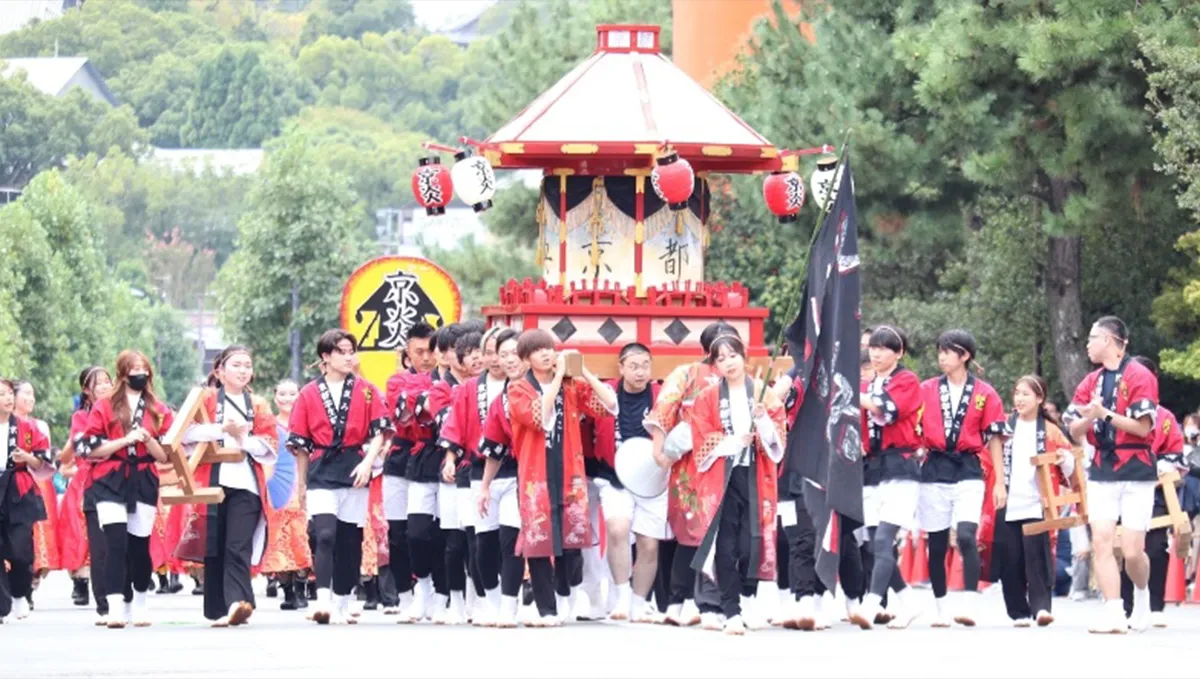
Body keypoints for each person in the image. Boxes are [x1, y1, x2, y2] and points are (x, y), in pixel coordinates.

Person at [505, 329, 616, 626]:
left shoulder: (572, 386)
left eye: (549, 348)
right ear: (526, 359)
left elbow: (608, 405)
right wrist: (556, 381)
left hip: (570, 473)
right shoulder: (518, 389)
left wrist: (584, 371)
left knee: (572, 541)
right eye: (537, 350)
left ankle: (567, 598)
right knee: (539, 542)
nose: (546, 354)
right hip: (535, 475)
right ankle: (546, 609)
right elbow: (539, 417)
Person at [1064, 316, 1159, 634]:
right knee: (1102, 541)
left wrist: (1104, 413)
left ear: (1108, 340)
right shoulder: (1090, 381)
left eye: (1092, 338)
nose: (1087, 344)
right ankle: (1114, 611)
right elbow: (1073, 430)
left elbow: (1143, 428)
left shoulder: (1140, 375)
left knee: (1132, 551)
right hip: (1101, 468)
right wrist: (1089, 418)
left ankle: (1142, 596)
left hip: (1136, 469)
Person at [288, 330, 390, 625]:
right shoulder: (308, 393)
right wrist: (301, 484)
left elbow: (380, 432)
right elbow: (302, 445)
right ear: (326, 356)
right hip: (321, 469)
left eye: (351, 351)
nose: (348, 357)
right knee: (324, 534)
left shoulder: (367, 390)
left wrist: (368, 463)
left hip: (355, 467)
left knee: (349, 539)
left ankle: (343, 600)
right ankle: (323, 600)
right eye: (341, 352)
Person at [689, 335, 786, 635]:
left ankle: (747, 598)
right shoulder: (707, 397)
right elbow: (700, 438)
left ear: (744, 357)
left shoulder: (762, 393)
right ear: (714, 365)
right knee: (725, 545)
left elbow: (777, 440)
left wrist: (762, 421)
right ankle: (731, 610)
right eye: (721, 359)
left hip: (754, 477)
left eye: (733, 355)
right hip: (721, 480)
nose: (728, 363)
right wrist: (731, 442)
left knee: (750, 543)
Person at [175, 345, 279, 627]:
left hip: (246, 484)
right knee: (215, 544)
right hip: (211, 481)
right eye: (236, 365)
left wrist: (243, 439)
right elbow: (183, 433)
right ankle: (219, 609)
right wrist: (221, 429)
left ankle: (238, 603)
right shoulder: (205, 399)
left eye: (247, 365)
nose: (243, 370)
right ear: (220, 371)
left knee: (237, 545)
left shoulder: (258, 404)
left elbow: (270, 445)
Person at [644, 321, 739, 626]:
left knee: (720, 536)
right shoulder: (686, 373)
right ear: (708, 349)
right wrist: (659, 450)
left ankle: (709, 603)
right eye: (720, 348)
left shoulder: (739, 376)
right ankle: (680, 602)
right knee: (691, 533)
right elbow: (664, 409)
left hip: (729, 462)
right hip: (692, 463)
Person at [917, 330, 1005, 627]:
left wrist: (1000, 482)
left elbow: (995, 438)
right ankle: (941, 608)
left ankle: (969, 604)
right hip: (934, 467)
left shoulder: (985, 393)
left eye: (947, 352)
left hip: (968, 467)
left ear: (964, 355)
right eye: (939, 351)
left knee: (967, 536)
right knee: (937, 543)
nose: (941, 357)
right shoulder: (926, 388)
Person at [81, 350, 175, 628]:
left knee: (139, 546)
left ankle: (140, 603)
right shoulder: (104, 406)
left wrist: (147, 440)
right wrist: (125, 440)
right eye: (134, 369)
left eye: (144, 369)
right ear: (122, 374)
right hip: (110, 478)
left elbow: (165, 456)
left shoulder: (158, 409)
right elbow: (91, 449)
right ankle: (115, 606)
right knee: (115, 543)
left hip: (143, 478)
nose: (140, 374)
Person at [588, 342, 666, 622]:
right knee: (617, 529)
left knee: (649, 544)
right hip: (614, 476)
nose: (640, 372)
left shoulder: (661, 395)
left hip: (651, 479)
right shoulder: (606, 393)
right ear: (620, 368)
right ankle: (621, 596)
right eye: (633, 366)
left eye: (645, 365)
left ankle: (639, 601)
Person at [989, 375, 1075, 627]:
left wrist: (1064, 459)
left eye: (1026, 394)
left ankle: (1041, 608)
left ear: (1040, 399)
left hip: (1037, 501)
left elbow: (1070, 462)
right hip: (1007, 499)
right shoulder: (1004, 426)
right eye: (1017, 393)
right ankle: (1018, 611)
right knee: (1011, 558)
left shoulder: (1051, 430)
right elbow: (988, 457)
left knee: (1037, 557)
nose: (1019, 398)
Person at [438, 327, 510, 625]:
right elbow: (455, 425)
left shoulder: (520, 384)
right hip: (476, 468)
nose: (491, 359)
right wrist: (450, 459)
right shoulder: (469, 389)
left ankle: (507, 599)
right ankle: (484, 598)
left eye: (498, 352)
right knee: (477, 539)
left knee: (510, 538)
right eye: (487, 352)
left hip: (514, 468)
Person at [854, 325, 922, 629]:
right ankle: (909, 601)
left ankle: (870, 604)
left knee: (883, 540)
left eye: (883, 348)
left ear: (899, 353)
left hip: (900, 466)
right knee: (873, 544)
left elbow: (886, 410)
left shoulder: (906, 380)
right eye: (873, 348)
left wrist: (853, 394)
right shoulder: (869, 385)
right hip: (872, 468)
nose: (876, 354)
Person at [398, 323, 463, 622]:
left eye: (455, 350)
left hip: (457, 461)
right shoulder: (420, 382)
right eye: (443, 350)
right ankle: (421, 586)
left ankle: (442, 595)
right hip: (425, 458)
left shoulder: (471, 384)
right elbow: (409, 415)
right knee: (416, 532)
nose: (447, 355)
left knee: (447, 535)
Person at [1120, 356, 1185, 628]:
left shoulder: (1165, 418)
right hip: (1122, 485)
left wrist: (1158, 469)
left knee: (1156, 547)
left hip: (1155, 489)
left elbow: (1176, 454)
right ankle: (1126, 606)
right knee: (1125, 549)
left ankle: (1155, 605)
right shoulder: (1117, 412)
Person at [381, 320, 436, 617]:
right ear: (407, 353)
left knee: (432, 531)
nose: (426, 358)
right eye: (419, 352)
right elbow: (402, 417)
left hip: (434, 456)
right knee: (399, 532)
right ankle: (403, 594)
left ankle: (435, 590)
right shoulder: (397, 382)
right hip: (401, 458)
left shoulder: (447, 380)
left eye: (430, 351)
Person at [476, 329, 526, 627]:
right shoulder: (501, 400)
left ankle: (509, 604)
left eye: (514, 353)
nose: (508, 360)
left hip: (528, 476)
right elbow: (493, 447)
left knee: (511, 540)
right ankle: (493, 601)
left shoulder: (546, 389)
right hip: (498, 474)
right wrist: (484, 487)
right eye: (502, 354)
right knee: (484, 544)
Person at [58, 367, 114, 618]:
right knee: (84, 536)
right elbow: (78, 451)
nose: (104, 385)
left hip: (118, 478)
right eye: (97, 382)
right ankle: (85, 585)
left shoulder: (122, 411)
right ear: (86, 390)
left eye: (107, 381)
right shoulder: (81, 417)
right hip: (87, 480)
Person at [0, 378, 53, 622]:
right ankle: (3, 605)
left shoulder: (27, 427)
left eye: (10, 393)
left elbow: (43, 460)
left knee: (20, 549)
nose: (8, 398)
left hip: (18, 488)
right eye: (2, 394)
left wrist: (27, 457)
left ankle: (21, 593)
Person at [262, 379, 312, 611]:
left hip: (302, 484)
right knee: (279, 540)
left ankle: (301, 587)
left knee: (300, 538)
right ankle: (288, 590)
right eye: (282, 394)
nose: (287, 398)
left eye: (292, 394)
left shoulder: (306, 422)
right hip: (276, 489)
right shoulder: (269, 426)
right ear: (275, 397)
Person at [12, 381, 60, 605]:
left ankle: (29, 584)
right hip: (11, 484)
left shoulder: (37, 426)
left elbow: (45, 460)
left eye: (33, 394)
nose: (31, 398)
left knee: (34, 536)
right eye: (26, 394)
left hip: (36, 483)